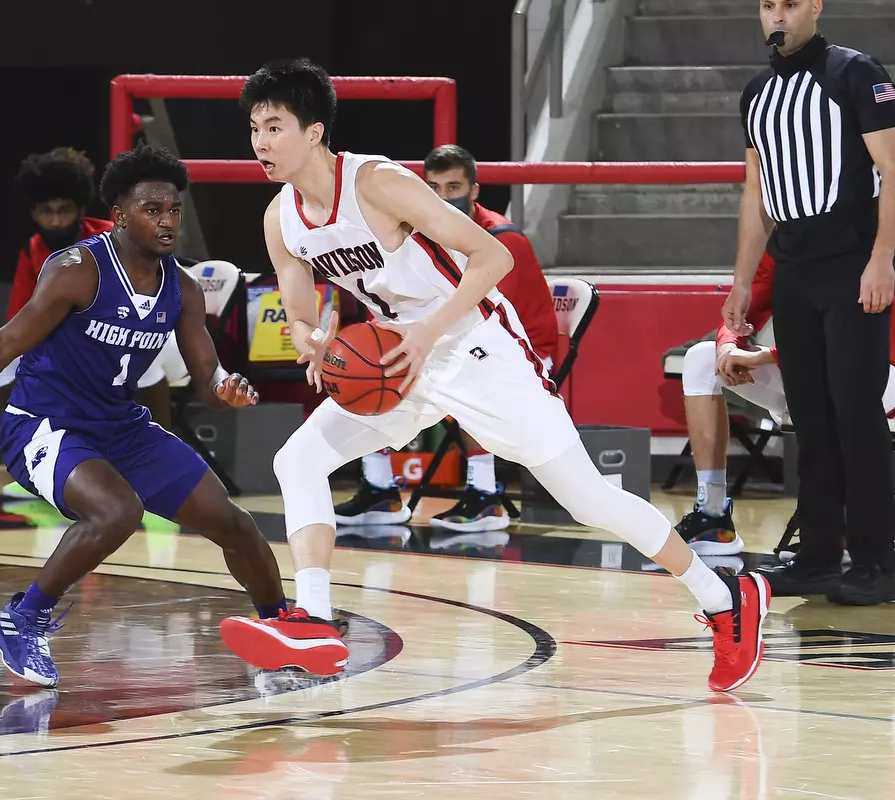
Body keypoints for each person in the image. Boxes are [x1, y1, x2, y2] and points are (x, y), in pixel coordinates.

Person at [218, 58, 769, 693]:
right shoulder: (279, 218)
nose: (260, 141)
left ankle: (724, 597)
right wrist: (311, 338)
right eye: (254, 128)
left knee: (586, 499)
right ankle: (314, 619)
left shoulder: (376, 183)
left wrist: (427, 330)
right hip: (397, 359)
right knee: (299, 460)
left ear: (313, 132)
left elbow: (493, 255)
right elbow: (298, 301)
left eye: (274, 126)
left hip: (475, 343)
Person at [0, 145, 287, 687]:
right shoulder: (77, 269)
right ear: (121, 216)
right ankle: (21, 620)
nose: (167, 221)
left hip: (120, 425)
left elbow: (207, 374)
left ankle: (281, 625)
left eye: (174, 209)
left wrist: (228, 387)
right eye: (153, 210)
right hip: (44, 422)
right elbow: (3, 343)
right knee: (116, 512)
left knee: (234, 525)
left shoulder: (185, 289)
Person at [725, 0, 895, 603]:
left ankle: (877, 557)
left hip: (851, 258)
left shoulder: (855, 72)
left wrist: (882, 258)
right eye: (768, 5)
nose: (778, 16)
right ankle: (819, 553)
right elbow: (755, 190)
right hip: (793, 263)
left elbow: (892, 168)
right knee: (811, 415)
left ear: (815, 7)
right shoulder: (755, 93)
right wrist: (743, 282)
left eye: (790, 4)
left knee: (856, 410)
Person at [334, 143, 559, 533]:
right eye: (434, 188)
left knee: (472, 366)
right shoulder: (423, 231)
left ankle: (486, 495)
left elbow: (495, 322)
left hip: (522, 347)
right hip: (450, 336)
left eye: (453, 187)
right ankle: (380, 489)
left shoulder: (504, 238)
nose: (443, 197)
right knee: (376, 364)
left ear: (473, 191)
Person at [0, 147, 184, 496]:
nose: (54, 221)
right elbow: (18, 318)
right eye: (46, 212)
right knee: (2, 363)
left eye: (63, 211)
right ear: (34, 212)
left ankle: (162, 441)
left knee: (151, 362)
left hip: (138, 325)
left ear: (80, 209)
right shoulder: (32, 249)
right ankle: (26, 458)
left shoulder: (112, 237)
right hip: (71, 341)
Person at [682, 250, 895, 557]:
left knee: (845, 367)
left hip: (880, 371)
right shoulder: (788, 239)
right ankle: (712, 516)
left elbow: (857, 339)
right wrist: (729, 348)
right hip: (808, 367)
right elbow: (745, 306)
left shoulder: (865, 237)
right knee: (701, 359)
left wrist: (765, 356)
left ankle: (851, 526)